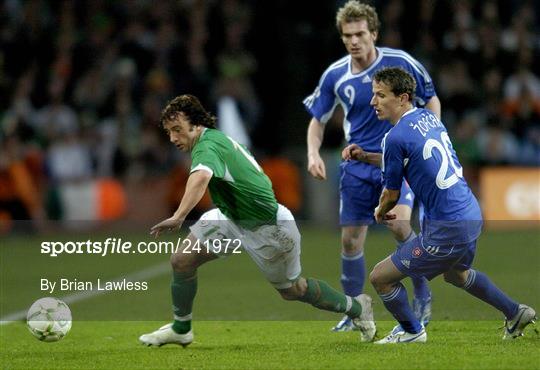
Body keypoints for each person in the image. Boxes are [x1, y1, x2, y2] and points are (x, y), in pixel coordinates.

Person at [139, 94, 376, 347]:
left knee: (293, 290)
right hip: (231, 217)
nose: (173, 138)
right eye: (169, 132)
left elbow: (199, 179)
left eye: (177, 130)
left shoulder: (207, 146)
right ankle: (181, 328)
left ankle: (357, 307)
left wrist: (179, 216)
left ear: (196, 124)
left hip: (269, 227)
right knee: (182, 260)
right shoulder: (210, 140)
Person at [346, 66, 536, 343]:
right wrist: (366, 157)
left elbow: (392, 195)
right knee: (457, 275)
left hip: (447, 227)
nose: (373, 102)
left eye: (380, 95)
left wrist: (380, 211)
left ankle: (412, 332)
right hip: (470, 212)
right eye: (374, 95)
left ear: (403, 98)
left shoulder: (395, 137)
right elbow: (411, 157)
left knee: (380, 277)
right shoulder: (427, 118)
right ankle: (516, 312)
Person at [304, 0, 440, 331]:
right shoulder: (335, 74)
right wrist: (312, 153)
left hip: (397, 161)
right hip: (356, 165)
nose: (354, 41)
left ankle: (421, 297)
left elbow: (431, 99)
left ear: (373, 33)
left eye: (360, 33)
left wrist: (428, 142)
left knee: (399, 227)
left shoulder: (400, 63)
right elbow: (317, 120)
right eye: (347, 35)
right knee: (350, 240)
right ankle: (354, 312)